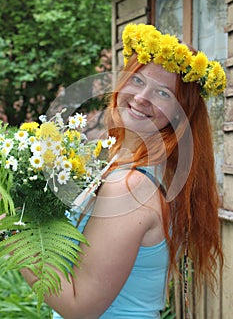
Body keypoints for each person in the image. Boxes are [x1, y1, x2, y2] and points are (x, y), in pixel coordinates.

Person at [21, 23, 225, 319]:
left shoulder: (130, 186)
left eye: (164, 94)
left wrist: (12, 233)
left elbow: (81, 308)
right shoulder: (140, 166)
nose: (143, 98)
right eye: (138, 81)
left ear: (182, 111)